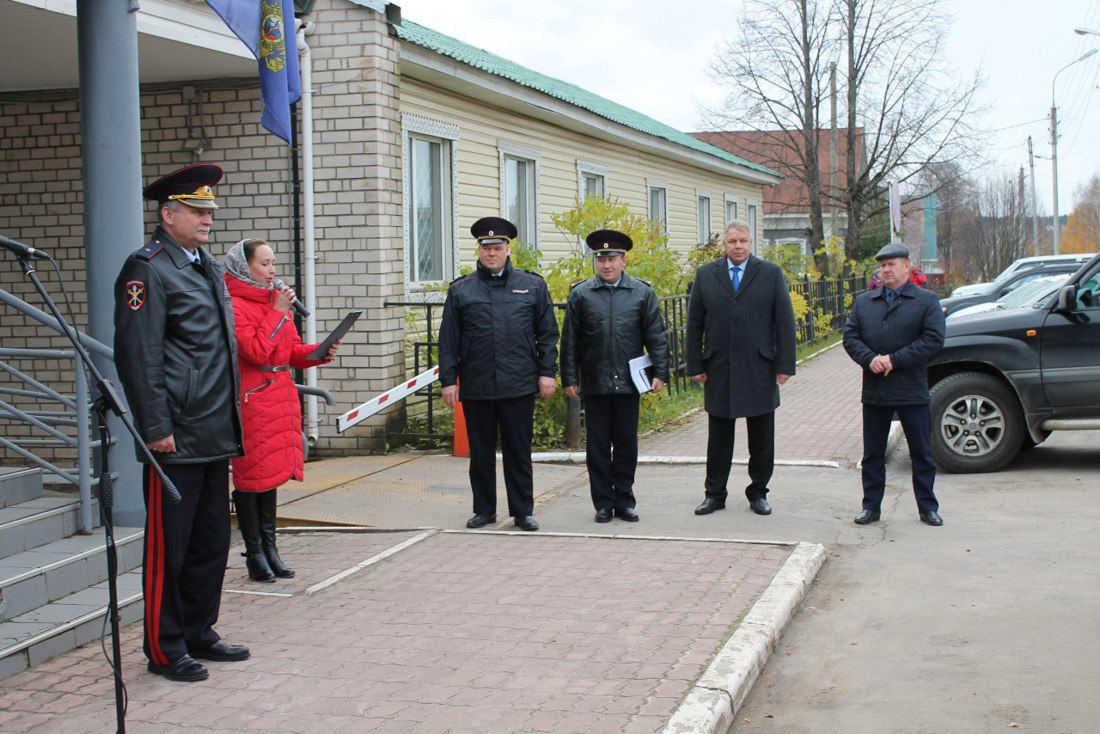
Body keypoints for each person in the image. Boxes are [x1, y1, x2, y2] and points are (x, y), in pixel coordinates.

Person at [113, 163, 248, 682]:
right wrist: (154, 426)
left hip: (215, 429)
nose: (207, 218)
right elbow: (138, 354)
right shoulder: (146, 268)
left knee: (211, 541)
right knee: (169, 547)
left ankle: (198, 630)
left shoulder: (205, 265)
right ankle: (165, 646)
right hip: (175, 434)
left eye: (210, 210)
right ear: (168, 215)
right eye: (197, 210)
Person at [222, 239, 338, 582]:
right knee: (251, 477)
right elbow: (256, 352)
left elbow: (286, 352)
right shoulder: (235, 305)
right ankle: (254, 552)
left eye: (274, 263)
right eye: (265, 264)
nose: (273, 271)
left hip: (278, 396)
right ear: (245, 268)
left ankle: (271, 547)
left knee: (269, 476)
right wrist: (276, 311)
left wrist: (319, 351)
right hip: (253, 399)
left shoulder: (273, 303)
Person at [438, 217, 559, 532]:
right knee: (480, 454)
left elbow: (547, 334)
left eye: (498, 247)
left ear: (508, 248)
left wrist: (547, 373)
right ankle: (484, 510)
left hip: (518, 383)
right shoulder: (462, 289)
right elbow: (448, 340)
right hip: (478, 384)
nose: (492, 253)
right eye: (486, 247)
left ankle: (522, 512)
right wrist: (449, 380)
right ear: (478, 250)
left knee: (519, 452)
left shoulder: (532, 285)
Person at [686, 219, 797, 517]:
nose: (738, 246)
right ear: (724, 244)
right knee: (718, 438)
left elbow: (784, 322)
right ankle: (714, 494)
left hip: (759, 366)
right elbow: (694, 324)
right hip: (719, 367)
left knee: (761, 437)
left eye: (743, 241)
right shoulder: (706, 275)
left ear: (751, 242)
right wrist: (695, 363)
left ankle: (758, 492)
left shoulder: (770, 274)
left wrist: (785, 364)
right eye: (732, 241)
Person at [560, 229, 670, 523]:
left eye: (612, 259)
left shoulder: (641, 293)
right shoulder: (581, 294)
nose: (606, 265)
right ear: (595, 261)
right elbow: (570, 341)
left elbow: (656, 336)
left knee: (625, 445)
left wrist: (660, 372)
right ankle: (603, 503)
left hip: (629, 382)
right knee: (597, 447)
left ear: (623, 260)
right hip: (595, 381)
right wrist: (569, 378)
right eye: (601, 259)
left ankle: (624, 500)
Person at [842, 242, 946, 526]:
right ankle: (871, 507)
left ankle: (927, 507)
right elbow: (850, 337)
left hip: (911, 387)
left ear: (906, 267)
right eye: (883, 265)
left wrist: (894, 360)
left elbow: (933, 340)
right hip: (875, 389)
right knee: (873, 453)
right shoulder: (866, 302)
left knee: (921, 452)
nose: (886, 270)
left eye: (891, 265)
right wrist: (870, 359)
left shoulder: (926, 301)